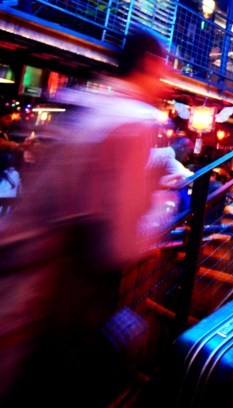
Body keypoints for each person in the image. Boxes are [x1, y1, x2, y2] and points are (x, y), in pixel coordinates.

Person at [0, 28, 169, 407]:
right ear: (149, 63)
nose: (166, 79)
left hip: (26, 272)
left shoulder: (86, 103)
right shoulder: (137, 120)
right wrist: (158, 206)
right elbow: (122, 242)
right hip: (66, 291)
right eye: (164, 68)